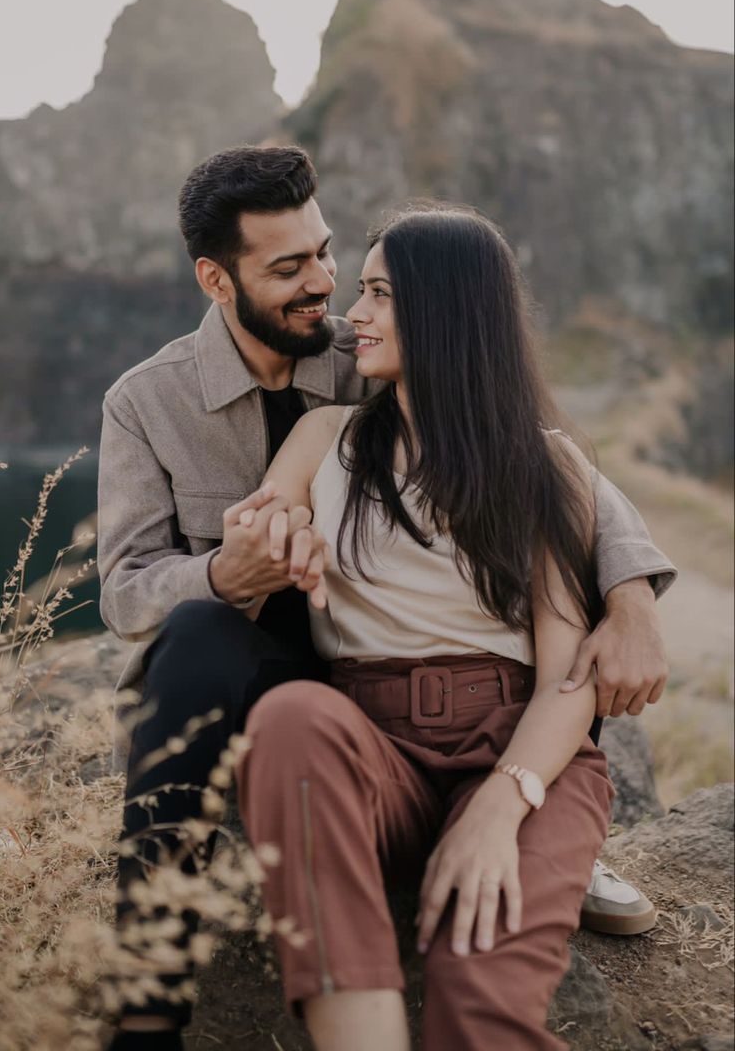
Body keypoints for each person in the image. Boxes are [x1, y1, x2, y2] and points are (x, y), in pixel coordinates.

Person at [98, 146, 674, 1049]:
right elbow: (138, 588)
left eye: (334, 260)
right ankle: (149, 997)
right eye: (291, 270)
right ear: (218, 280)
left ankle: (544, 830)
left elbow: (551, 466)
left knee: (479, 992)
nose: (328, 292)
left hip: (490, 710)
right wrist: (240, 562)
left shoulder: (377, 361)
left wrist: (633, 595)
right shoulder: (153, 403)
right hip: (307, 683)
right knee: (221, 653)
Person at [234, 205, 637, 1049]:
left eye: (379, 294)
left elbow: (570, 674)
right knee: (290, 718)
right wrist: (278, 535)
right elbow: (256, 532)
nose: (354, 313)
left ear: (447, 309)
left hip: (523, 753)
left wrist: (504, 802)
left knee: (476, 997)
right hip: (373, 752)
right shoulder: (323, 437)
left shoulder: (543, 462)